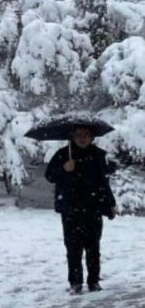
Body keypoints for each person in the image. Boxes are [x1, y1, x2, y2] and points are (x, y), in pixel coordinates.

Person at [45, 125, 117, 294]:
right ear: (73, 136)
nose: (82, 138)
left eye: (86, 135)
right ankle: (75, 283)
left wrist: (110, 203)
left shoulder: (99, 155)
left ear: (92, 137)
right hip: (71, 209)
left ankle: (94, 282)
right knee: (73, 249)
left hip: (93, 208)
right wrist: (64, 168)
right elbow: (49, 176)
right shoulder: (63, 154)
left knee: (93, 248)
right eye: (79, 135)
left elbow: (104, 182)